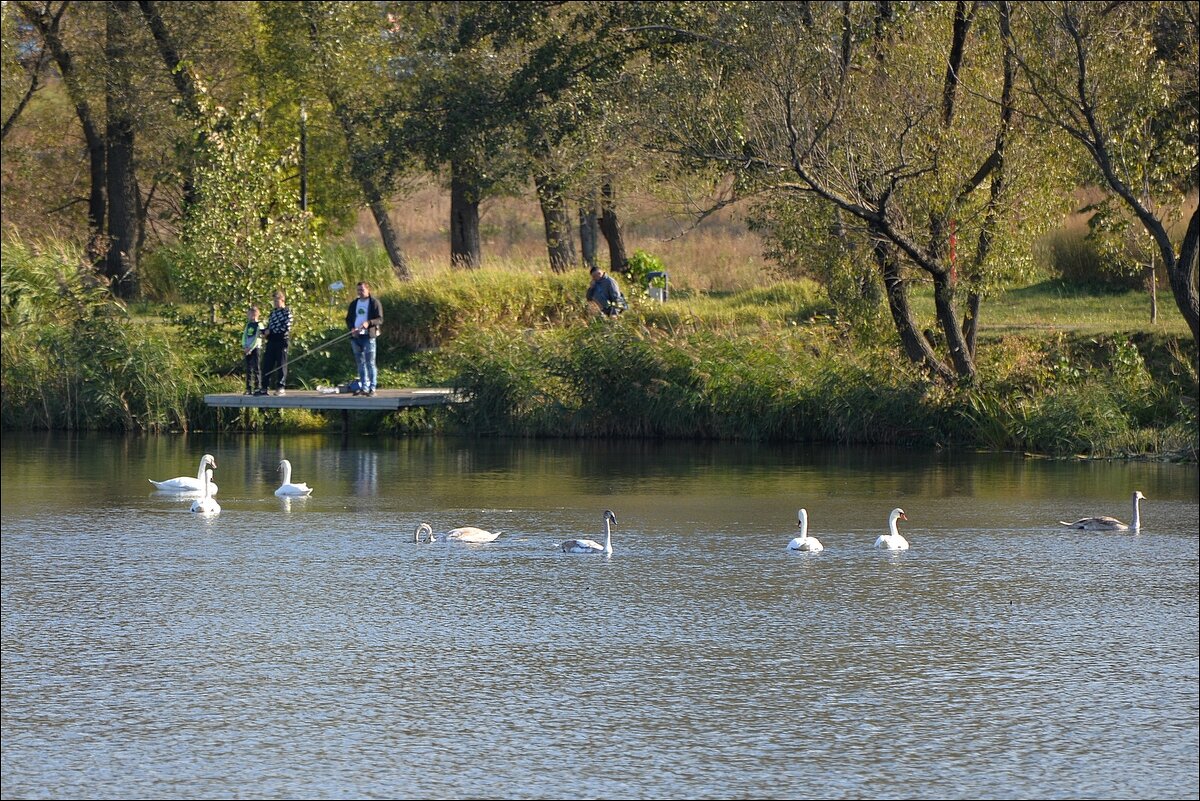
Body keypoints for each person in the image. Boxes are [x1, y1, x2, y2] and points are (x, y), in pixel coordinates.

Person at [345, 280, 383, 396]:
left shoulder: (374, 302)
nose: (360, 292)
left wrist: (368, 322)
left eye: (362, 290)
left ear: (368, 290)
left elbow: (380, 319)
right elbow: (349, 319)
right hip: (356, 337)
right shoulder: (354, 304)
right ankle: (364, 387)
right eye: (358, 290)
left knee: (370, 362)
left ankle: (372, 388)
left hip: (368, 336)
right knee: (360, 363)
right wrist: (352, 329)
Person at [261, 289, 293, 396]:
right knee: (267, 364)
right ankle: (264, 387)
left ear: (282, 300)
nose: (275, 303)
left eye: (277, 301)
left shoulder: (287, 312)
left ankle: (280, 386)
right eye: (274, 301)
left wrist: (272, 331)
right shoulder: (273, 313)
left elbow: (286, 327)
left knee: (281, 364)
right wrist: (265, 331)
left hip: (281, 340)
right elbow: (270, 326)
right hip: (271, 340)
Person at [241, 305, 265, 396]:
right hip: (247, 348)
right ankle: (248, 388)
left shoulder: (259, 325)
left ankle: (257, 386)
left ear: (258, 314)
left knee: (256, 368)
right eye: (250, 314)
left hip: (255, 348)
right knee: (248, 369)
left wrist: (250, 348)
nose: (252, 316)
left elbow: (257, 338)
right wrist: (244, 346)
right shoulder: (248, 325)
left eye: (254, 314)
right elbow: (244, 336)